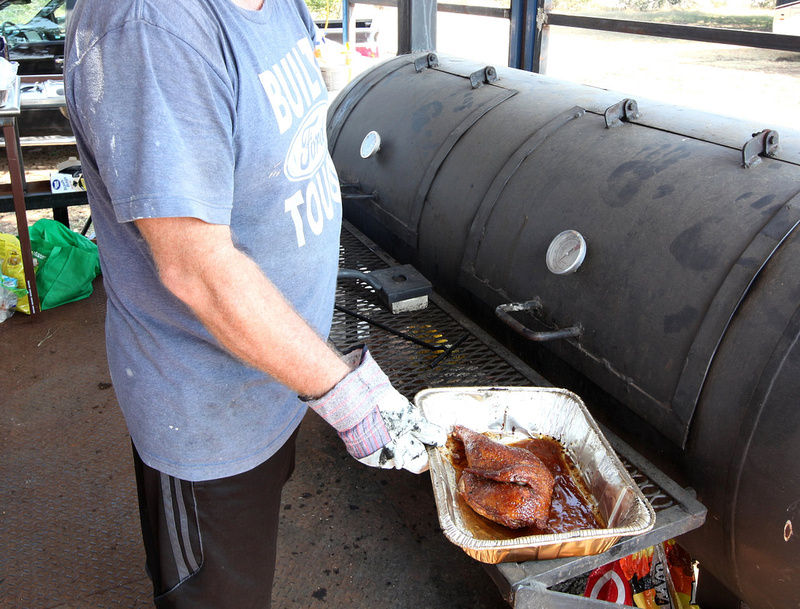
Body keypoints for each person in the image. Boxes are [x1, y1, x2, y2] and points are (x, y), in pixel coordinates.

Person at [63, 1, 444, 607]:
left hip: (273, 380)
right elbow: (197, 270)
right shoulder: (152, 29)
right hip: (205, 416)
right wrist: (344, 393)